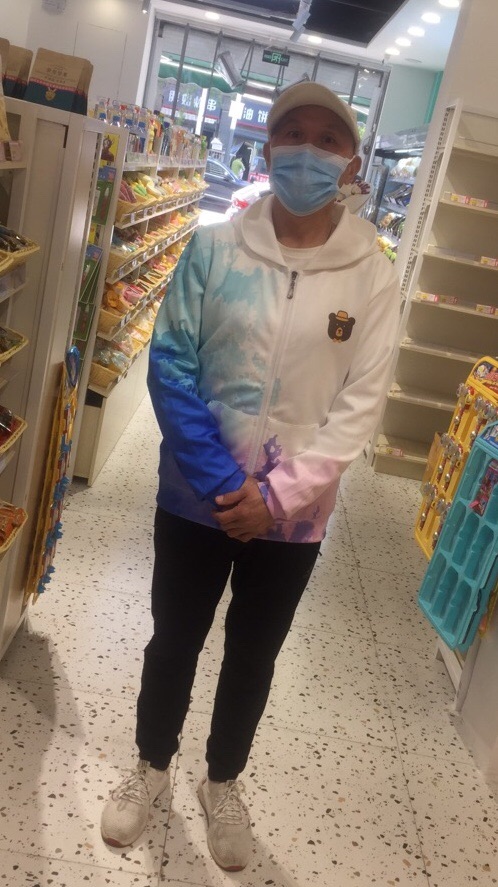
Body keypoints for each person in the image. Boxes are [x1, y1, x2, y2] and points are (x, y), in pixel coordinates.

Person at [101, 81, 400, 870]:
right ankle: (152, 766)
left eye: (328, 139)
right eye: (292, 132)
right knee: (174, 638)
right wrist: (220, 482)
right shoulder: (215, 248)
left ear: (352, 162)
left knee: (253, 653)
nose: (308, 150)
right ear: (268, 148)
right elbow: (171, 363)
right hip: (194, 497)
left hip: (293, 518)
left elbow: (360, 403)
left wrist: (279, 496)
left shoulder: (371, 273)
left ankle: (222, 780)